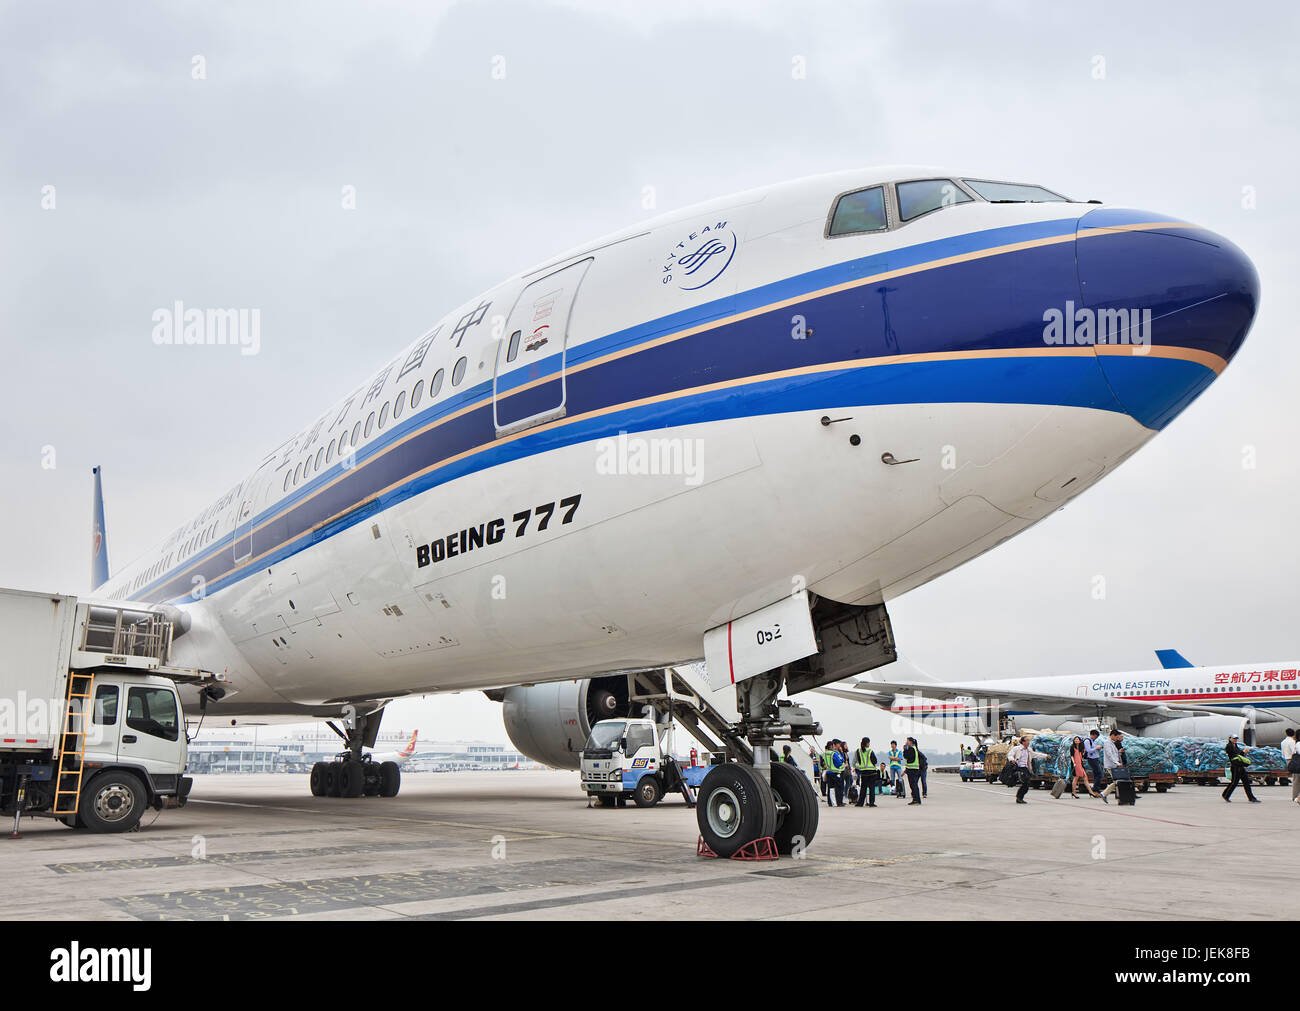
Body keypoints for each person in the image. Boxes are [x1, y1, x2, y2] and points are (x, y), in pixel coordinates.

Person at [1222, 734, 1260, 803]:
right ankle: (1226, 795)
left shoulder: (1236, 746)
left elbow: (1240, 755)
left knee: (1246, 782)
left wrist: (1244, 752)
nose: (1235, 740)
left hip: (1240, 766)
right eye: (1234, 738)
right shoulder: (1229, 746)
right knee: (1234, 782)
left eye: (1236, 738)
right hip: (1235, 766)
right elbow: (1235, 755)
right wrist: (1242, 752)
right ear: (1230, 739)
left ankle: (1251, 798)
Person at [1012, 735, 1048, 804]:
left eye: (1029, 740)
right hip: (1019, 768)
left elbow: (1035, 754)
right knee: (1025, 783)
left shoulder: (1029, 750)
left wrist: (1045, 756)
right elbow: (1010, 755)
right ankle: (1019, 798)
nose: (1028, 742)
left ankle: (1019, 797)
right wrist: (1012, 760)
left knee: (1027, 784)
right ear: (1023, 742)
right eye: (1027, 740)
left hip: (1025, 768)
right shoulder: (1016, 749)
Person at [1099, 728, 1127, 803]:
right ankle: (1104, 794)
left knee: (1117, 781)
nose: (1117, 738)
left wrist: (1119, 752)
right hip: (1111, 765)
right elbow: (1109, 754)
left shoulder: (1112, 742)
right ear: (1112, 735)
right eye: (1116, 737)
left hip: (1114, 764)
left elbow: (1113, 753)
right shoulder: (1107, 743)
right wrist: (1117, 763)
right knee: (1117, 781)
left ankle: (1107, 794)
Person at [853, 737, 878, 807]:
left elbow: (856, 762)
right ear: (867, 743)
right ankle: (871, 803)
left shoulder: (858, 751)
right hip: (872, 772)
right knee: (871, 788)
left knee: (863, 788)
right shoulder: (870, 751)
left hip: (863, 772)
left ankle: (860, 803)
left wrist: (860, 767)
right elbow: (875, 761)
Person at [902, 737, 923, 805]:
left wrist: (905, 749)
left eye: (907, 741)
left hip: (912, 770)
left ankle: (916, 800)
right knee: (913, 785)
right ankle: (915, 799)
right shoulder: (914, 748)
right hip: (912, 769)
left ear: (910, 742)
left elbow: (906, 757)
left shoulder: (912, 749)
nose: (906, 742)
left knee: (913, 785)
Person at [1083, 729, 1105, 793]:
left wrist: (1099, 748)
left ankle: (1095, 789)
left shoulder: (1093, 741)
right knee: (1099, 774)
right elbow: (1089, 750)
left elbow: (1094, 751)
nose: (1096, 738)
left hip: (1095, 758)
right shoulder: (1087, 741)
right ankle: (1095, 789)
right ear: (1093, 735)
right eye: (1096, 736)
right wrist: (1096, 748)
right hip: (1091, 759)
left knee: (1096, 774)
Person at [1282, 728, 1299, 805]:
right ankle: (1297, 797)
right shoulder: (1293, 742)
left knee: (1295, 780)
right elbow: (1294, 752)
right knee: (1296, 779)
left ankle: (1295, 796)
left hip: (1288, 760)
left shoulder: (1283, 742)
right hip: (1295, 760)